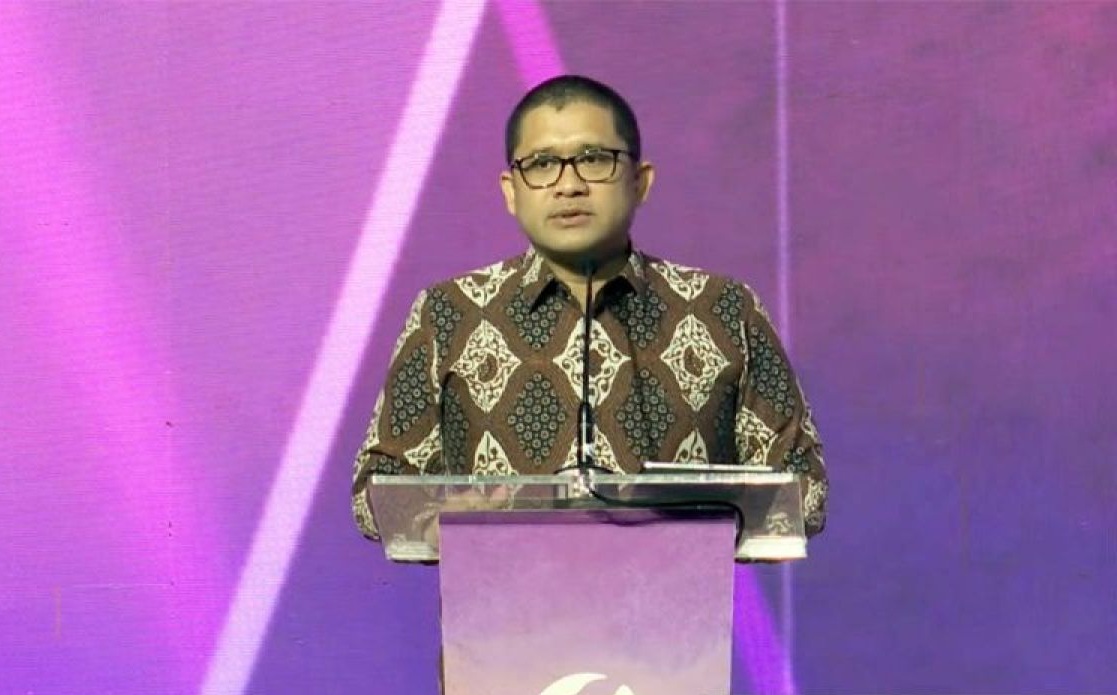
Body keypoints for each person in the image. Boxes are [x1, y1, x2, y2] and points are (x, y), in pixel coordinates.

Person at [352, 74, 827, 541]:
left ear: (640, 182)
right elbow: (376, 490)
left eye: (594, 159)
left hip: (674, 592)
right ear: (511, 191)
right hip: (503, 592)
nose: (569, 185)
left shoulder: (724, 309)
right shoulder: (448, 313)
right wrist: (443, 517)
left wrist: (701, 517)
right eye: (542, 164)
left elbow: (804, 489)